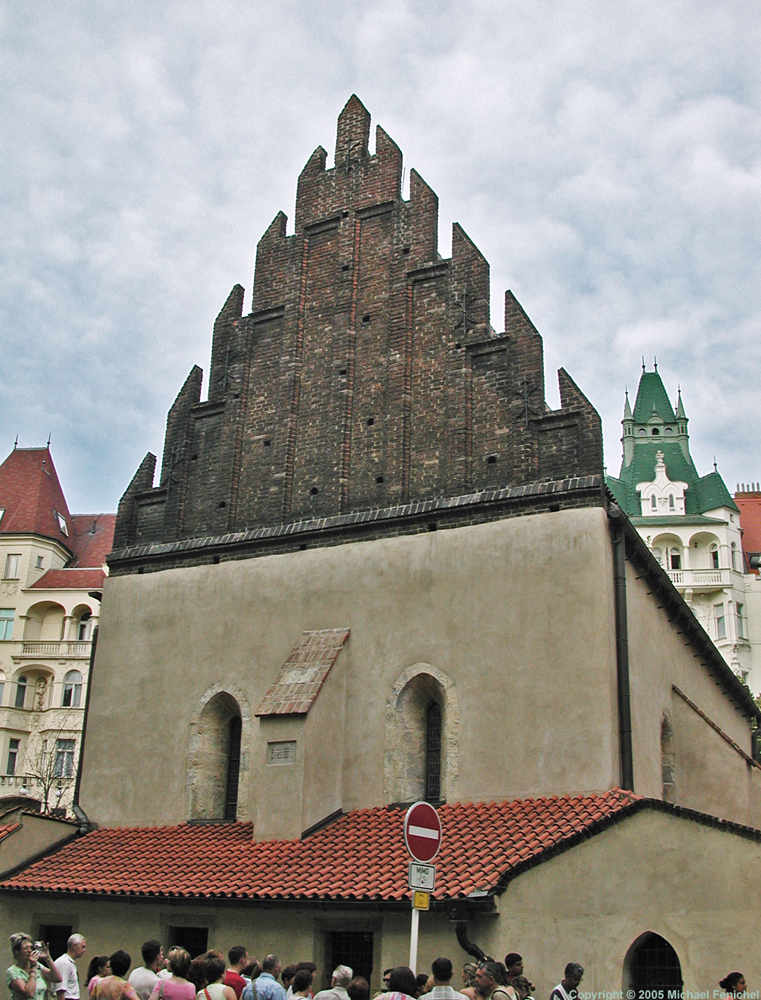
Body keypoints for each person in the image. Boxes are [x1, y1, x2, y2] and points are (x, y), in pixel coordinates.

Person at [8, 934, 62, 1000]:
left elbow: (57, 978)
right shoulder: (13, 971)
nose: (30, 950)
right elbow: (29, 993)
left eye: (31, 947)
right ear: (17, 952)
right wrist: (33, 967)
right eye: (26, 948)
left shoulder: (38, 965)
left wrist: (48, 958)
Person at [56, 935, 88, 1000]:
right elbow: (60, 991)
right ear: (74, 946)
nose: (84, 950)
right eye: (83, 947)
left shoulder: (69, 963)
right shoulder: (64, 963)